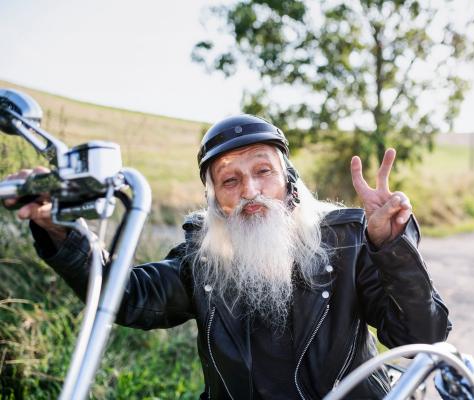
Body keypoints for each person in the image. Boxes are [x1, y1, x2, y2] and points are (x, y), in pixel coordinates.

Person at [2, 114, 451, 399]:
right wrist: (57, 226)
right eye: (230, 180)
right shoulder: (201, 260)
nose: (251, 191)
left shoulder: (349, 241)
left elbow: (422, 337)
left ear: (290, 183)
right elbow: (127, 295)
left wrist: (391, 249)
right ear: (215, 199)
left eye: (262, 171)